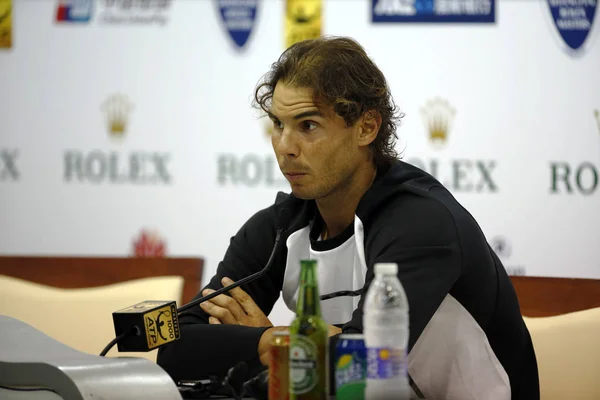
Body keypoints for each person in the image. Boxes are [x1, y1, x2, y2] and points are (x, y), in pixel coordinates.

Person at [157, 36, 539, 399]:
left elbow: (367, 364)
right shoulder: (277, 228)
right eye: (278, 125)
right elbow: (173, 346)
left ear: (366, 128)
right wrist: (270, 342)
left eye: (307, 126)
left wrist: (279, 344)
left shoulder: (422, 223)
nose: (285, 148)